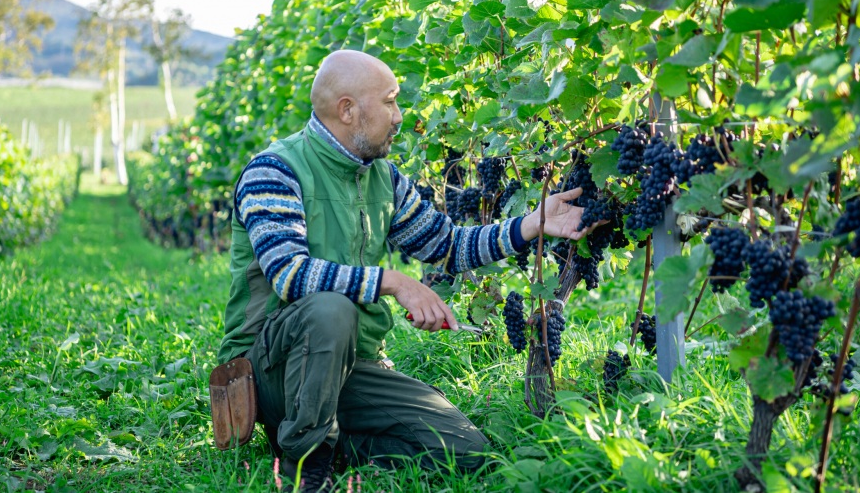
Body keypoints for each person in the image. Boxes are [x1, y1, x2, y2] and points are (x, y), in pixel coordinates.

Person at [217, 50, 592, 492]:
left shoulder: (383, 178)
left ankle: (331, 440)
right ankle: (307, 465)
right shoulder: (274, 171)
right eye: (391, 101)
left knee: (465, 452)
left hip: (348, 363)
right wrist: (393, 281)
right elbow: (289, 273)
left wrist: (531, 224)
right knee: (330, 309)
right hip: (271, 370)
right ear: (348, 110)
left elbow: (448, 245)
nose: (399, 116)